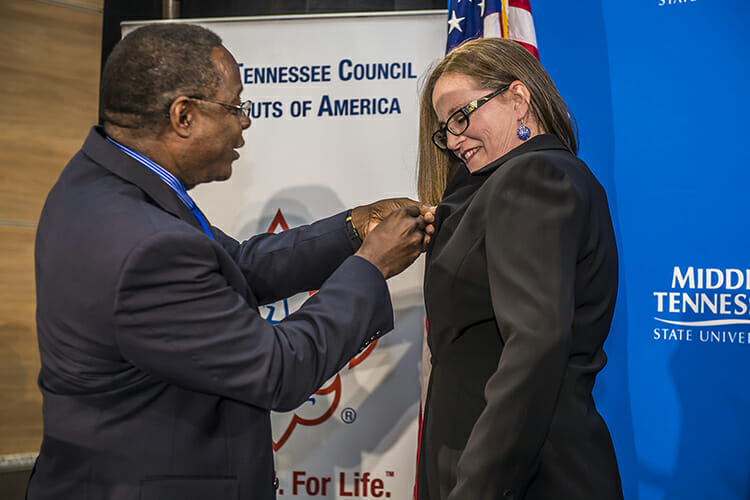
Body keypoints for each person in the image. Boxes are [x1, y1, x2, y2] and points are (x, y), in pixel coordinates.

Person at [27, 23, 433, 500]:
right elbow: (279, 369)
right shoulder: (144, 244)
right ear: (184, 116)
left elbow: (235, 263)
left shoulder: (103, 180)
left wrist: (351, 230)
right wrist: (371, 265)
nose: (245, 121)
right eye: (236, 106)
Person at [415, 38, 623, 500]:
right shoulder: (491, 187)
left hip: (522, 474)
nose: (452, 139)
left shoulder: (534, 178)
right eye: (444, 127)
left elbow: (535, 346)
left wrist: (476, 488)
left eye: (462, 115)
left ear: (517, 97)